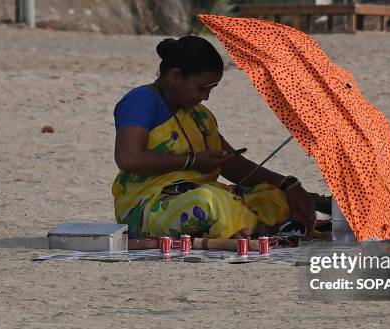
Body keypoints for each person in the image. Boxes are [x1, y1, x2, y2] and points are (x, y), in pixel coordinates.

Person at [112, 36, 316, 240]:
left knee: (273, 197)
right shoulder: (142, 100)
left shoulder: (200, 116)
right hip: (148, 207)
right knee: (211, 201)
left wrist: (287, 184)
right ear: (175, 76)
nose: (206, 97)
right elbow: (129, 158)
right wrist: (192, 161)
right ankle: (266, 232)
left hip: (196, 194)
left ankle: (258, 228)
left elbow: (234, 166)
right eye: (202, 88)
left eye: (211, 89)